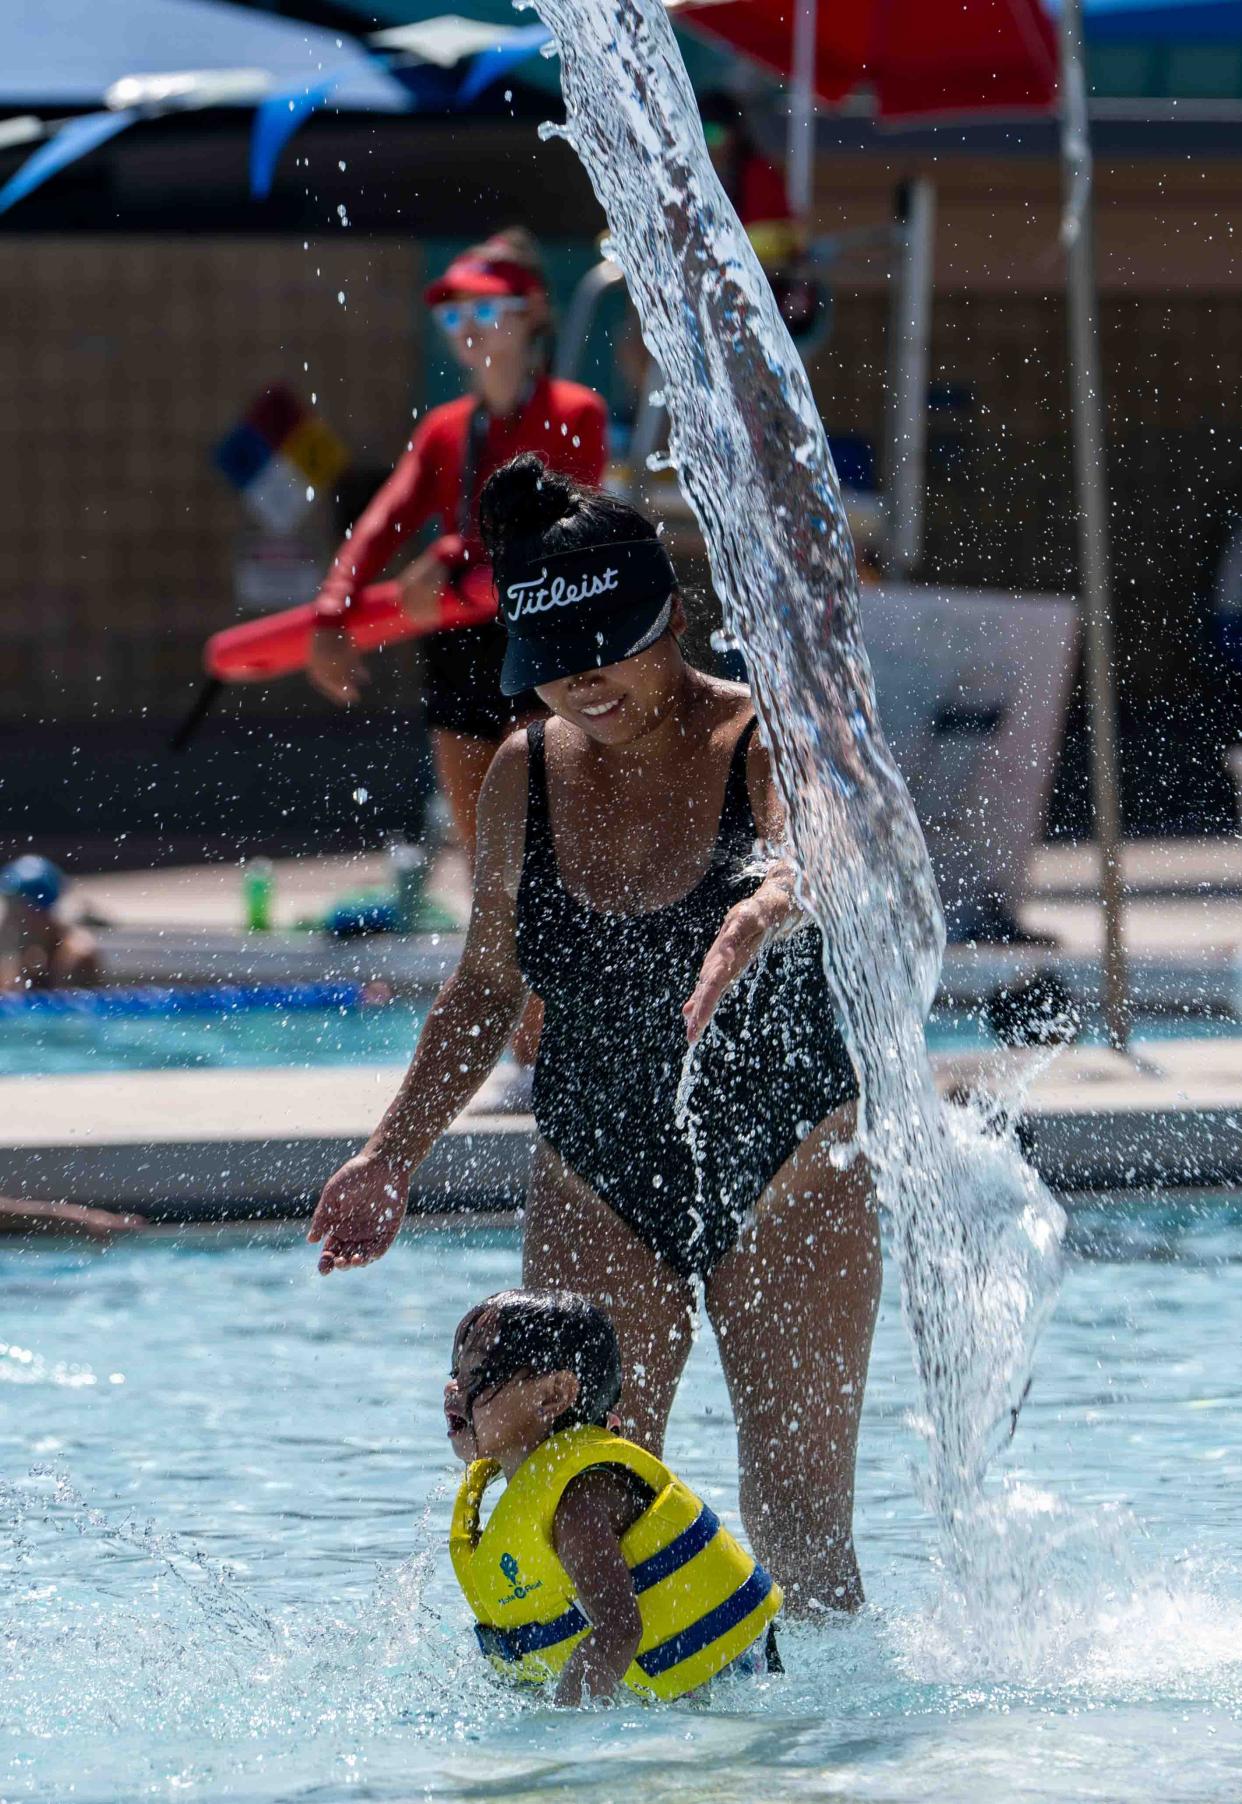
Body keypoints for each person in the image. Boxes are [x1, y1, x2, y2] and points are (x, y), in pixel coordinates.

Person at [310, 454, 881, 1614]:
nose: (585, 687)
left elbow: (808, 855)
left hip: (790, 1168)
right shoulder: (527, 773)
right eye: (554, 667)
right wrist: (390, 1154)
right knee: (584, 1525)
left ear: (667, 613)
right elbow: (483, 988)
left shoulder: (760, 736)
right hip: (597, 1173)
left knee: (803, 1536)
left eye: (607, 650)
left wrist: (765, 906)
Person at [308, 228, 609, 866]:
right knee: (481, 846)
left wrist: (448, 559)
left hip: (540, 630)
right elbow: (381, 524)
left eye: (484, 309)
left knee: (544, 834)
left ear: (531, 314)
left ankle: (560, 959)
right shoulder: (444, 429)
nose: (465, 326)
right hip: (458, 638)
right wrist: (332, 614)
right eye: (452, 313)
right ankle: (493, 965)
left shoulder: (576, 414)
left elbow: (558, 538)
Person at [446, 1287, 782, 1705]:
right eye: (454, 1371)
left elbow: (620, 1628)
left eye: (477, 1374)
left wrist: (560, 1727)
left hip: (732, 1676)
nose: (452, 1388)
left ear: (554, 1395)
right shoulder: (535, 1492)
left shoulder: (578, 1502)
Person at [0, 856, 101, 991]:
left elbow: (63, 1008)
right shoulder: (30, 951)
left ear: (40, 911)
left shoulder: (76, 954)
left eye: (16, 909)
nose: (9, 918)